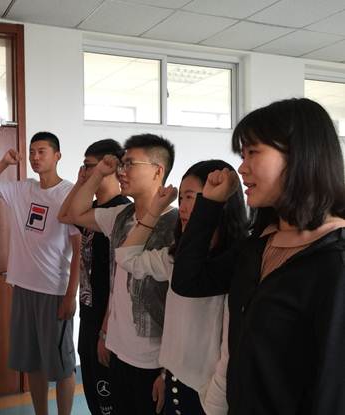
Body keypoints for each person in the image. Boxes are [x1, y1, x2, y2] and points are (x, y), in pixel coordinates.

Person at [171, 98, 345, 414]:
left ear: (299, 155)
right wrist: (209, 205)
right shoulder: (260, 243)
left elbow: (331, 394)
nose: (241, 167)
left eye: (253, 152)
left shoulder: (334, 262)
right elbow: (187, 280)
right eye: (242, 155)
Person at [115, 160, 248, 414]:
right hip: (174, 383)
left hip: (208, 395)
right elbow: (126, 257)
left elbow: (229, 351)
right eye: (182, 198)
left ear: (221, 200)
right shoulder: (175, 259)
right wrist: (156, 209)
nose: (184, 207)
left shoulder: (232, 266)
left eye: (192, 197)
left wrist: (214, 404)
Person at [67, 134, 178, 414]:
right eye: (121, 164)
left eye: (130, 164)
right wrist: (97, 174)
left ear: (158, 171)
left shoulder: (175, 225)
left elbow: (181, 305)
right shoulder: (121, 215)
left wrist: (167, 370)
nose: (121, 171)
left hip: (153, 360)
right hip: (118, 349)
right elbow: (74, 214)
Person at [0, 131, 81, 415]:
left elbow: (79, 251)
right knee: (33, 363)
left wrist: (70, 295)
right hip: (23, 288)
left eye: (42, 151)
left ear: (57, 156)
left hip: (54, 291)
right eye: (32, 151)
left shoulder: (70, 194)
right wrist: (4, 163)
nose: (35, 157)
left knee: (61, 366)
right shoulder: (23, 189)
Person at [58, 139, 130, 415]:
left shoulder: (121, 211)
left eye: (90, 166)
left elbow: (118, 279)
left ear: (109, 167)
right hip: (89, 318)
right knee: (93, 398)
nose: (85, 172)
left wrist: (106, 331)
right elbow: (64, 215)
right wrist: (80, 182)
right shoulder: (90, 212)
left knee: (108, 401)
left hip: (107, 323)